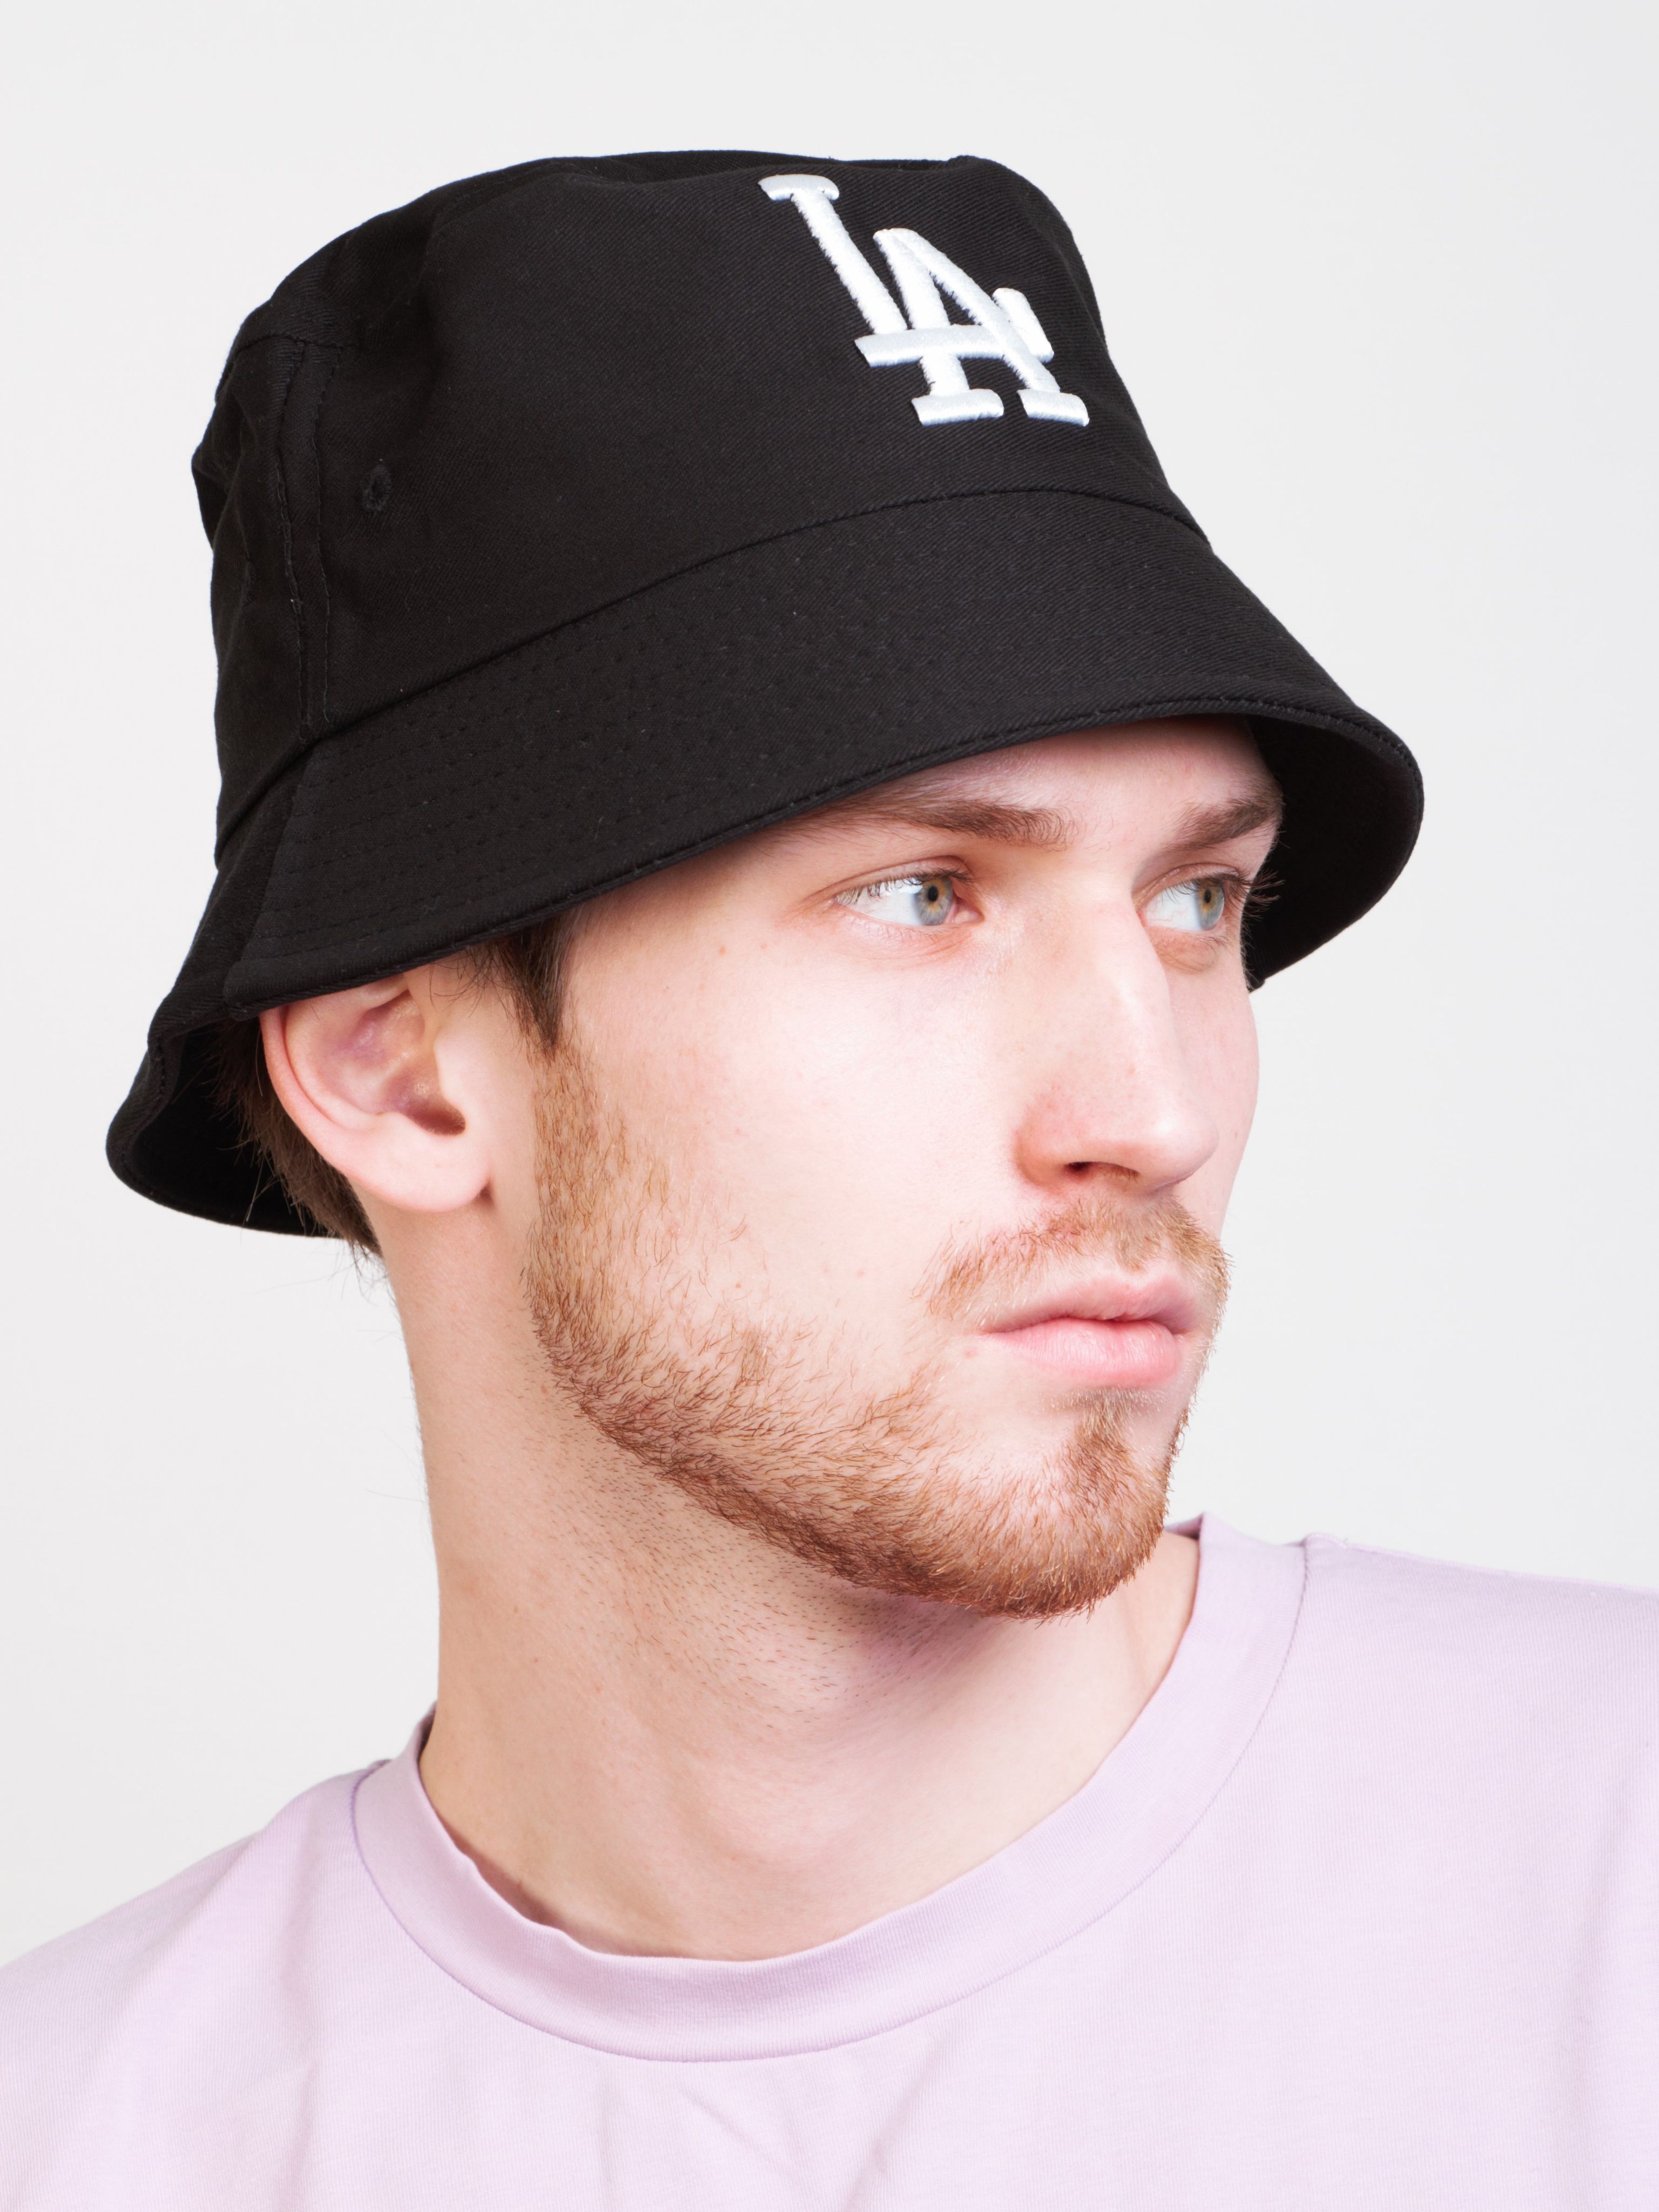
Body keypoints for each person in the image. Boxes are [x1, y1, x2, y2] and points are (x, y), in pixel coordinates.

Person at [2, 151, 1653, 2211]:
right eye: (921, 894)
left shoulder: (1614, 1897)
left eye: (1198, 899)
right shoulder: (80, 2136)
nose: (1152, 1109)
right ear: (404, 1074)